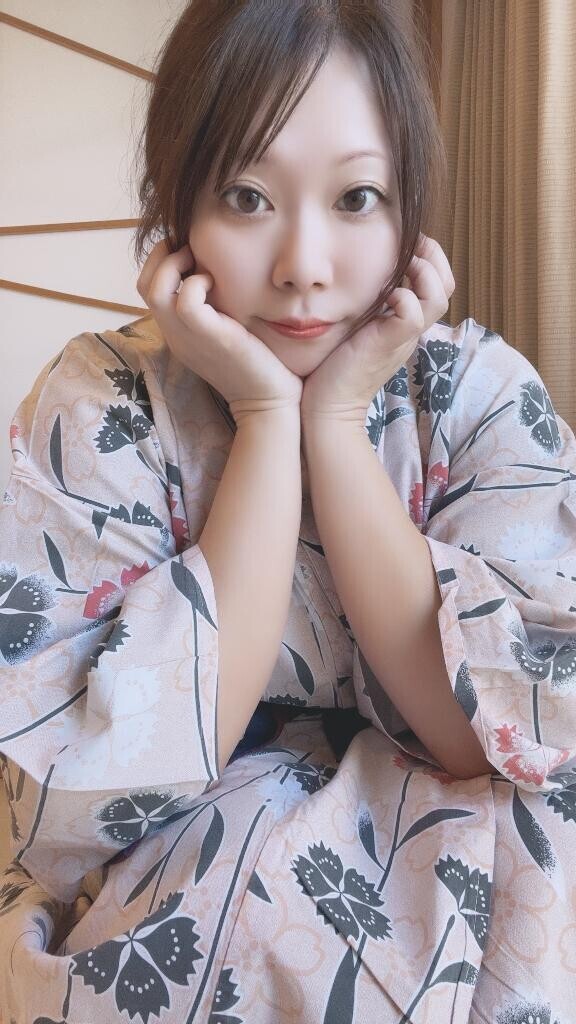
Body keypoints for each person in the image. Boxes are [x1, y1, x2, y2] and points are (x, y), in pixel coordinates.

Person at [1, 2, 575, 1021]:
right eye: (246, 196)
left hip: (463, 835)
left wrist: (339, 419)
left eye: (357, 197)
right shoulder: (96, 399)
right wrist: (268, 418)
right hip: (172, 855)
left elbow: (488, 734)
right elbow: (84, 798)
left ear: (410, 213)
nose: (304, 264)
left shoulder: (483, 391)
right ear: (177, 206)